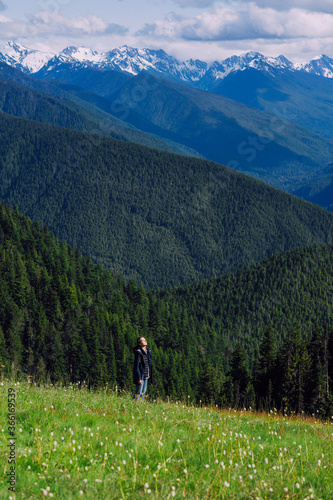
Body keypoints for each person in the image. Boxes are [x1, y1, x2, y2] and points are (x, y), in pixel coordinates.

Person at [132, 336, 153, 401]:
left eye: (145, 340)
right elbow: (136, 366)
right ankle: (135, 404)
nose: (145, 341)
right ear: (139, 343)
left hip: (146, 375)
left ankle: (140, 405)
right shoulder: (138, 353)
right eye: (143, 340)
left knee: (143, 392)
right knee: (138, 392)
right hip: (141, 376)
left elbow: (149, 364)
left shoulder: (148, 351)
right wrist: (139, 378)